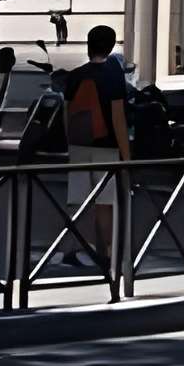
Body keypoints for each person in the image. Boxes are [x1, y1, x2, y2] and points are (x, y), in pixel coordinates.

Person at [59, 25, 131, 269]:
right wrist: (126, 156)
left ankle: (71, 249)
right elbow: (118, 118)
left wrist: (71, 142)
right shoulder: (113, 76)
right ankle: (107, 253)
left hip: (79, 144)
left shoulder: (76, 75)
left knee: (77, 200)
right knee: (104, 202)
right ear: (110, 48)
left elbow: (67, 112)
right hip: (106, 147)